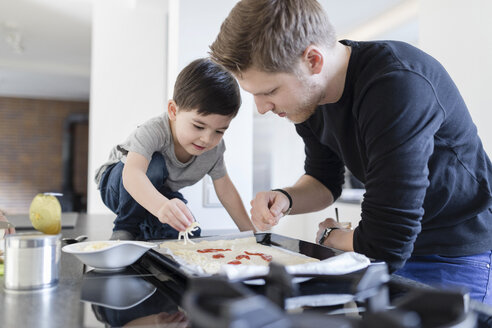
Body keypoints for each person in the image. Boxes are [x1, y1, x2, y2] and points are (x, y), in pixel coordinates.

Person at [209, 0, 492, 304]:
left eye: (270, 92)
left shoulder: (397, 84)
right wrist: (287, 198)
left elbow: (386, 241)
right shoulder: (310, 102)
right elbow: (323, 179)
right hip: (389, 252)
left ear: (313, 61)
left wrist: (330, 238)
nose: (262, 108)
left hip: (455, 255)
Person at [95, 58, 255, 241]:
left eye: (219, 131)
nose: (207, 139)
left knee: (188, 232)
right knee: (154, 164)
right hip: (118, 184)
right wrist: (161, 206)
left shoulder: (214, 149)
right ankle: (125, 228)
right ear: (173, 111)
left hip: (160, 192)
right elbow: (132, 174)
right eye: (198, 126)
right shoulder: (154, 131)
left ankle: (147, 231)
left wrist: (252, 234)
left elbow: (226, 192)